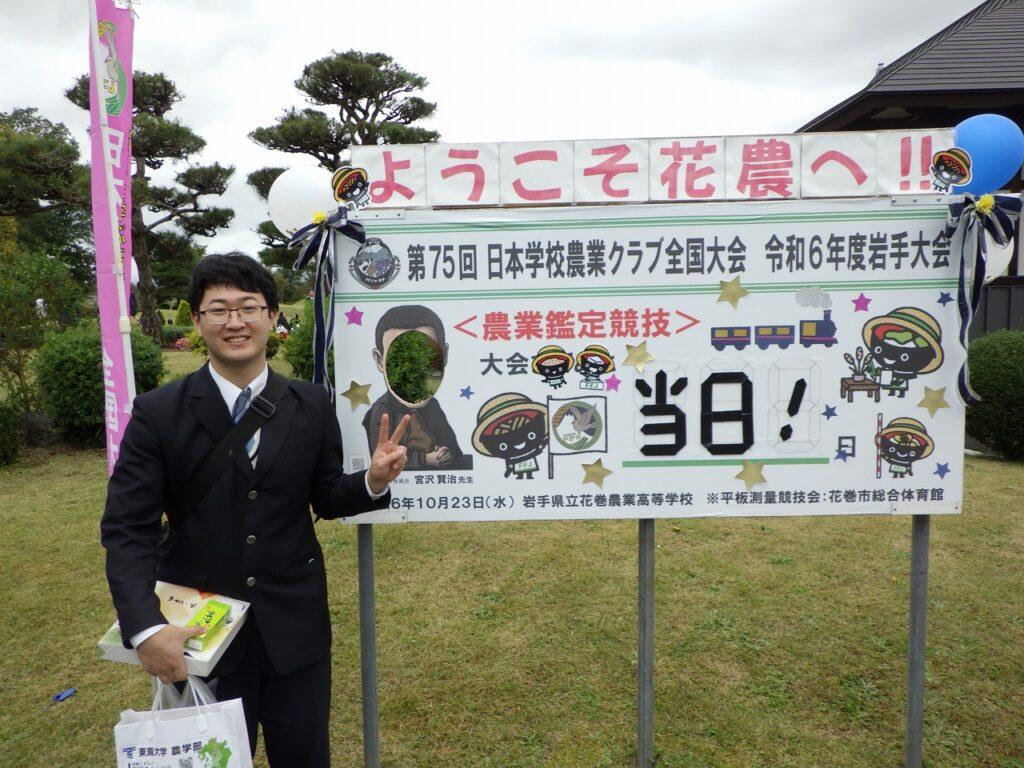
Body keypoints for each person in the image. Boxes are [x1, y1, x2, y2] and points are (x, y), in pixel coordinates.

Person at [101, 252, 409, 767]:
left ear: (272, 316)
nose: (235, 322)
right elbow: (127, 529)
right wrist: (147, 629)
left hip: (295, 629)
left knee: (305, 757)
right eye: (219, 310)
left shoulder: (311, 403)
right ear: (197, 320)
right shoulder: (159, 413)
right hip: (199, 635)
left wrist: (372, 482)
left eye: (249, 307)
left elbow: (327, 497)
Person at [362, 304, 472, 471]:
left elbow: (453, 448)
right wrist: (424, 459)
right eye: (399, 358)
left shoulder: (432, 406)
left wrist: (445, 454)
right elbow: (380, 460)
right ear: (380, 361)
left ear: (444, 355)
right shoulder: (381, 410)